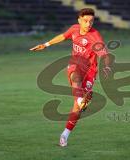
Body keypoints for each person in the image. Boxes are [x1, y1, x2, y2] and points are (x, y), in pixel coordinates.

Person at [30, 8, 111, 147]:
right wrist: (46, 44)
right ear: (79, 20)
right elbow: (62, 36)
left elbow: (104, 54)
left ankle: (65, 134)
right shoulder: (74, 29)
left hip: (90, 71)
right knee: (75, 77)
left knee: (77, 109)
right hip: (75, 65)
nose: (88, 24)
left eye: (91, 21)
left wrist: (107, 66)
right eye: (85, 21)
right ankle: (81, 100)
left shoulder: (95, 36)